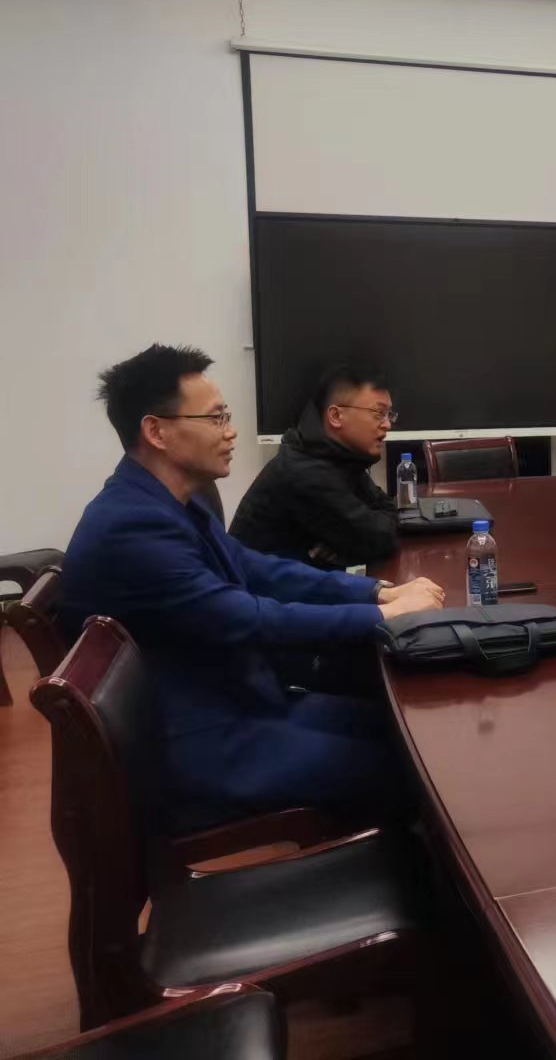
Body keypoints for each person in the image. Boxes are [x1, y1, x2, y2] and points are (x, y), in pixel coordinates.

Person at [60, 344, 444, 828]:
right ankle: (397, 871)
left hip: (239, 700)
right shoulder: (132, 527)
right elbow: (246, 617)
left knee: (407, 733)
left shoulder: (170, 500)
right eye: (216, 418)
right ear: (156, 431)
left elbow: (256, 567)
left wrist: (375, 593)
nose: (231, 430)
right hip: (201, 740)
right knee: (408, 769)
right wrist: (383, 617)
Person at [231, 364, 400, 569]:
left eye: (389, 415)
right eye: (379, 413)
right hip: (265, 588)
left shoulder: (339, 457)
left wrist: (349, 548)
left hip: (305, 583)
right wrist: (357, 545)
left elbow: (387, 512)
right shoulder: (305, 472)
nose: (387, 424)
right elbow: (381, 538)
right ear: (336, 416)